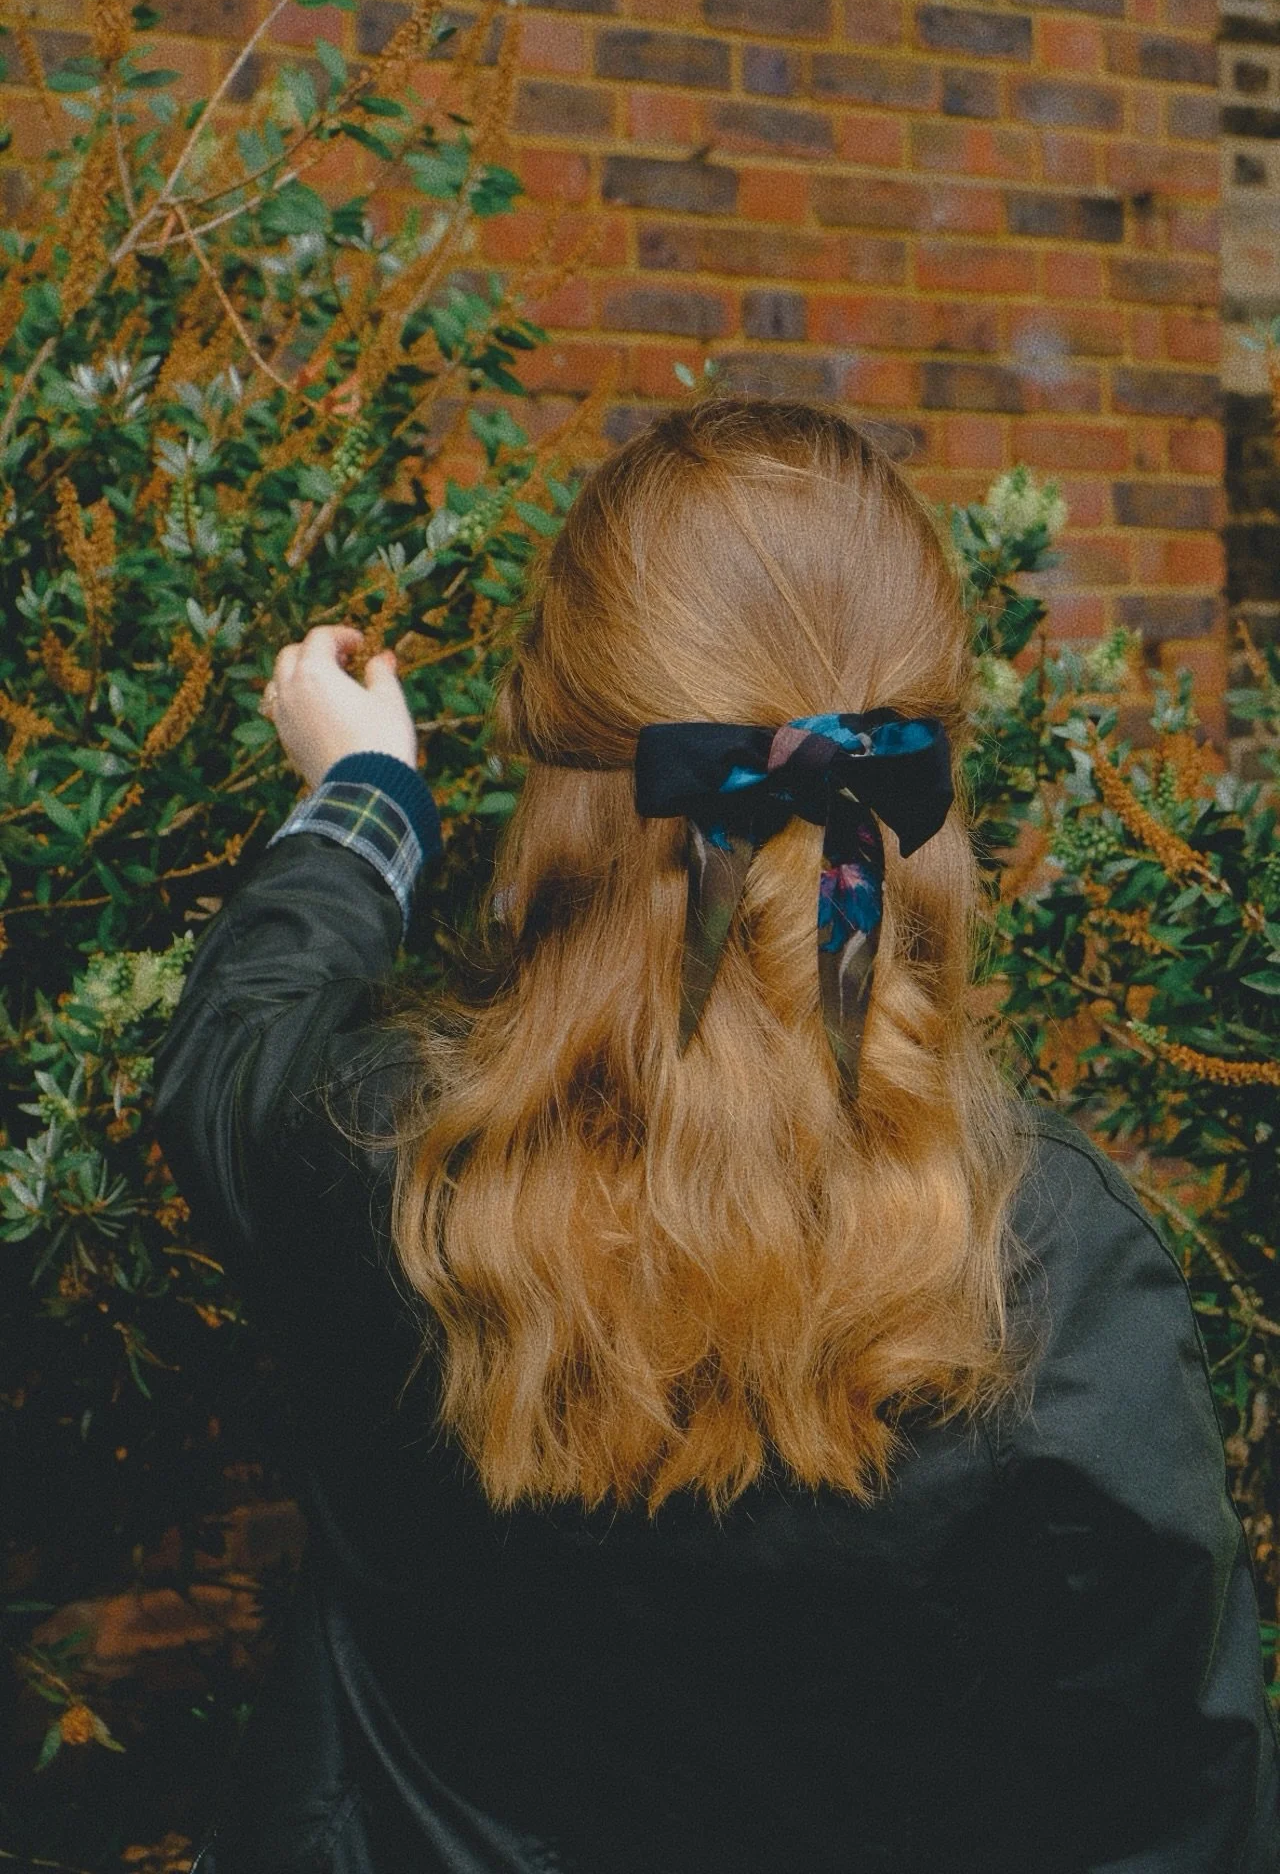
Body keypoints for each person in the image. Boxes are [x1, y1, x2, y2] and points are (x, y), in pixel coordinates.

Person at [152, 398, 1280, 1874]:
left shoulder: (367, 1152)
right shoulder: (1058, 1280)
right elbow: (1170, 1809)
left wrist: (365, 791)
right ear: (922, 778)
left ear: (560, 773)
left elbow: (230, 1041)